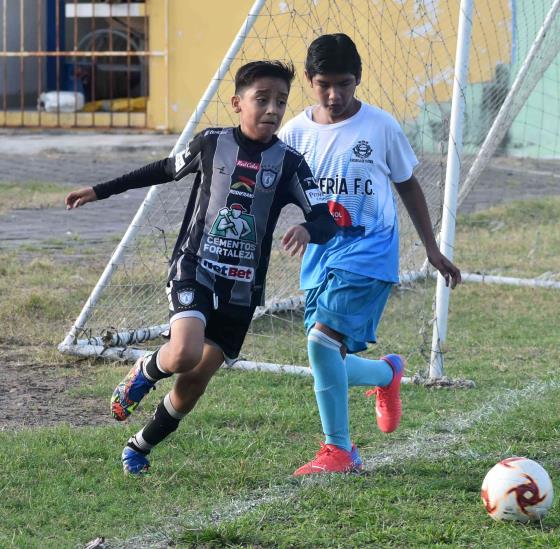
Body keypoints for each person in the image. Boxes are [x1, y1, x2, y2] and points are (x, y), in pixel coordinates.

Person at [65, 60, 337, 475]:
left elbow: (325, 218)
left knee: (194, 382)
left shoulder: (289, 163)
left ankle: (140, 445)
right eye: (261, 99)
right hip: (196, 267)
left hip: (243, 289)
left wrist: (305, 227)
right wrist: (100, 190)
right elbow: (162, 168)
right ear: (236, 103)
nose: (271, 109)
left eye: (280, 102)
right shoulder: (212, 143)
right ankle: (143, 371)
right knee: (183, 352)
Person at [278, 33, 461, 476]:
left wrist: (432, 248)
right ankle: (386, 375)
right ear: (309, 80)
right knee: (329, 355)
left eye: (344, 83)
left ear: (357, 79)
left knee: (321, 342)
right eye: (324, 84)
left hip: (370, 252)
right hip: (321, 257)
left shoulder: (380, 127)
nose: (335, 94)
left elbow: (407, 185)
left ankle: (339, 451)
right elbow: (272, 186)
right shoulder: (294, 134)